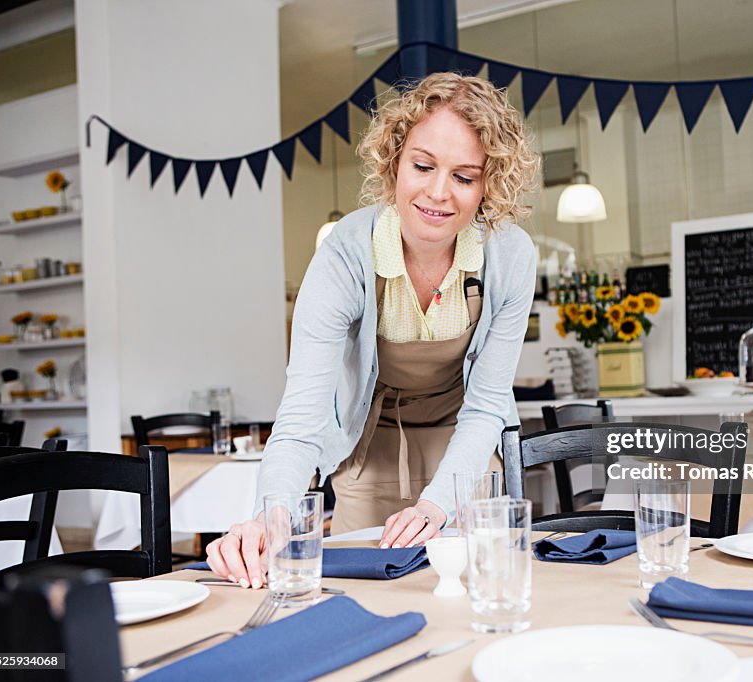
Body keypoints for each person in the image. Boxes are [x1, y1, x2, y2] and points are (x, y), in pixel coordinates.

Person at [206, 72, 540, 588]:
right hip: (370, 446)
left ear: (488, 184)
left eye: (464, 177)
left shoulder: (510, 255)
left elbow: (488, 404)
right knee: (358, 593)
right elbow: (302, 414)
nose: (437, 193)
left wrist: (438, 503)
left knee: (471, 592)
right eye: (423, 166)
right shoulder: (345, 252)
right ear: (394, 160)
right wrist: (270, 518)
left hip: (466, 448)